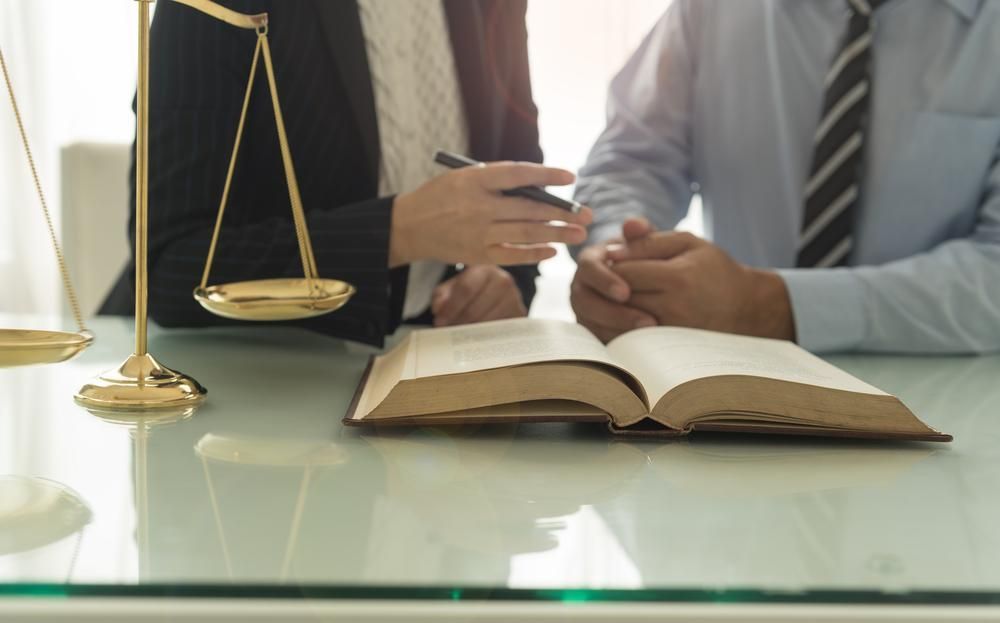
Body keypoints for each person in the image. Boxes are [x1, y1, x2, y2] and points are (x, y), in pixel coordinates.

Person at [100, 0, 591, 346]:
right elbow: (168, 267)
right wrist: (398, 232)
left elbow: (512, 182)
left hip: (420, 387)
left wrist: (500, 279)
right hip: (234, 409)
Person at [571, 0, 1000, 354]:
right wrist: (622, 258)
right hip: (729, 387)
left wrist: (772, 305)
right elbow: (633, 161)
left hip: (955, 404)